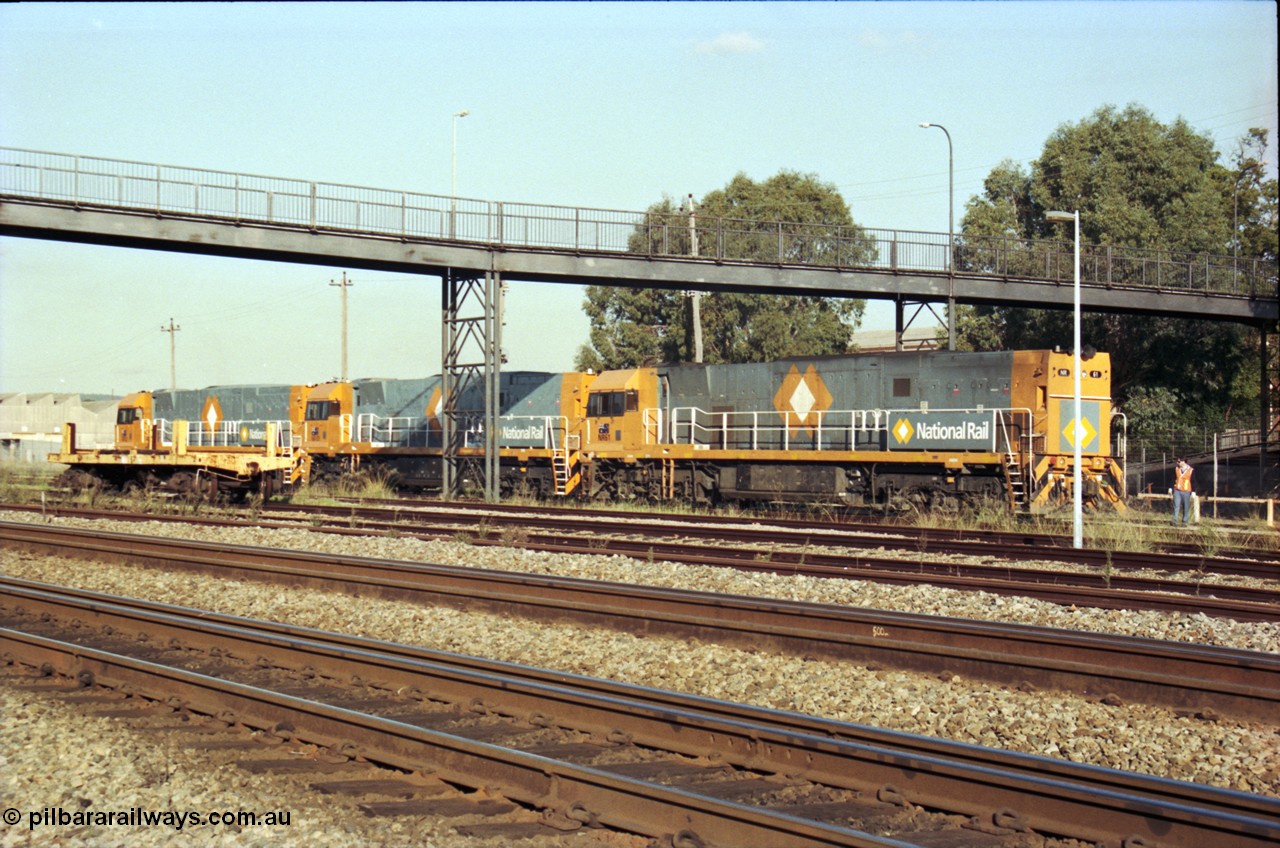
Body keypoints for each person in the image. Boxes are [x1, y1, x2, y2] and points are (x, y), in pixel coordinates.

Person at [1171, 458, 1194, 526]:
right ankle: (1174, 520)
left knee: (1186, 506)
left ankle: (1185, 521)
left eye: (1179, 461)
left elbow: (1193, 481)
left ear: (1184, 461)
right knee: (1176, 505)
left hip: (1186, 491)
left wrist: (1193, 491)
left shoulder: (1191, 470)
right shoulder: (1176, 469)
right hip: (1177, 490)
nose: (1177, 463)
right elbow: (1173, 478)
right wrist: (1170, 487)